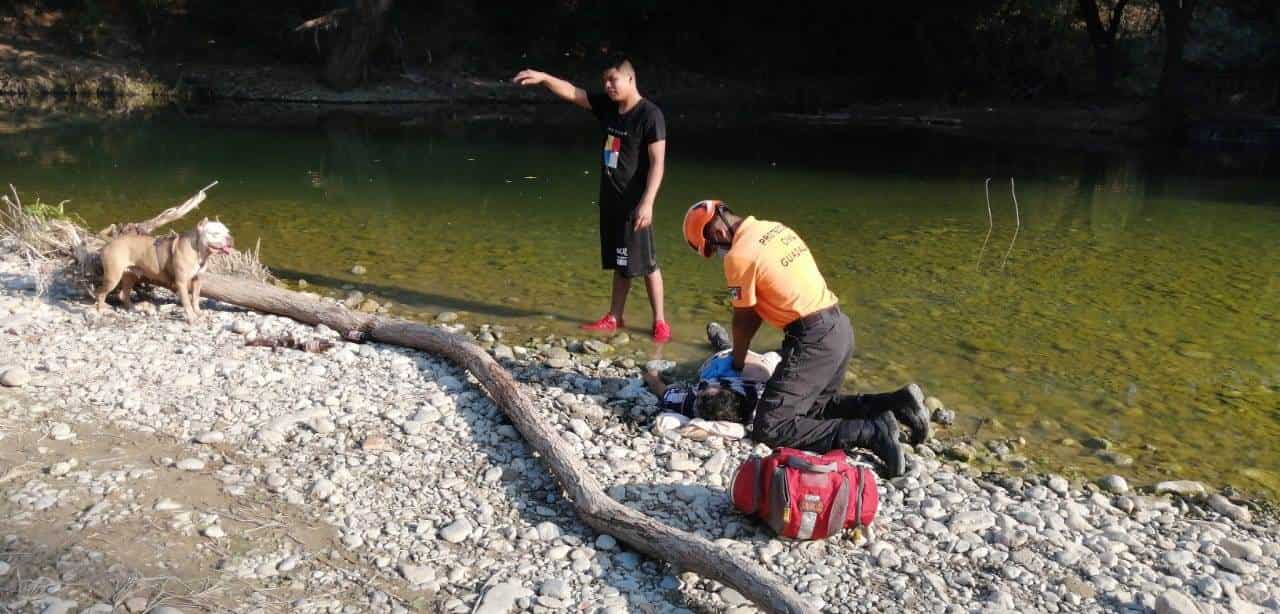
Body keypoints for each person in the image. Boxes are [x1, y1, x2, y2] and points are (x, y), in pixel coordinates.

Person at [681, 200, 932, 477]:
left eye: (713, 248)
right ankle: (895, 404)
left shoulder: (738, 256)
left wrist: (737, 361)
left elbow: (745, 319)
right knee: (815, 409)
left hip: (813, 338)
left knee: (771, 426)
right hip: (839, 327)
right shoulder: (774, 229)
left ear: (716, 234)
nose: (718, 253)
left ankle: (871, 432)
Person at [513, 56, 671, 342]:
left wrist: (647, 202)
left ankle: (660, 322)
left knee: (647, 263)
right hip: (611, 199)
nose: (608, 86)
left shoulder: (650, 115)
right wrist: (545, 77)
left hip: (636, 202)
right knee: (621, 261)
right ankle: (615, 317)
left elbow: (658, 163)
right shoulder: (609, 108)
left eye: (614, 80)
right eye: (605, 82)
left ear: (630, 78)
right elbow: (575, 93)